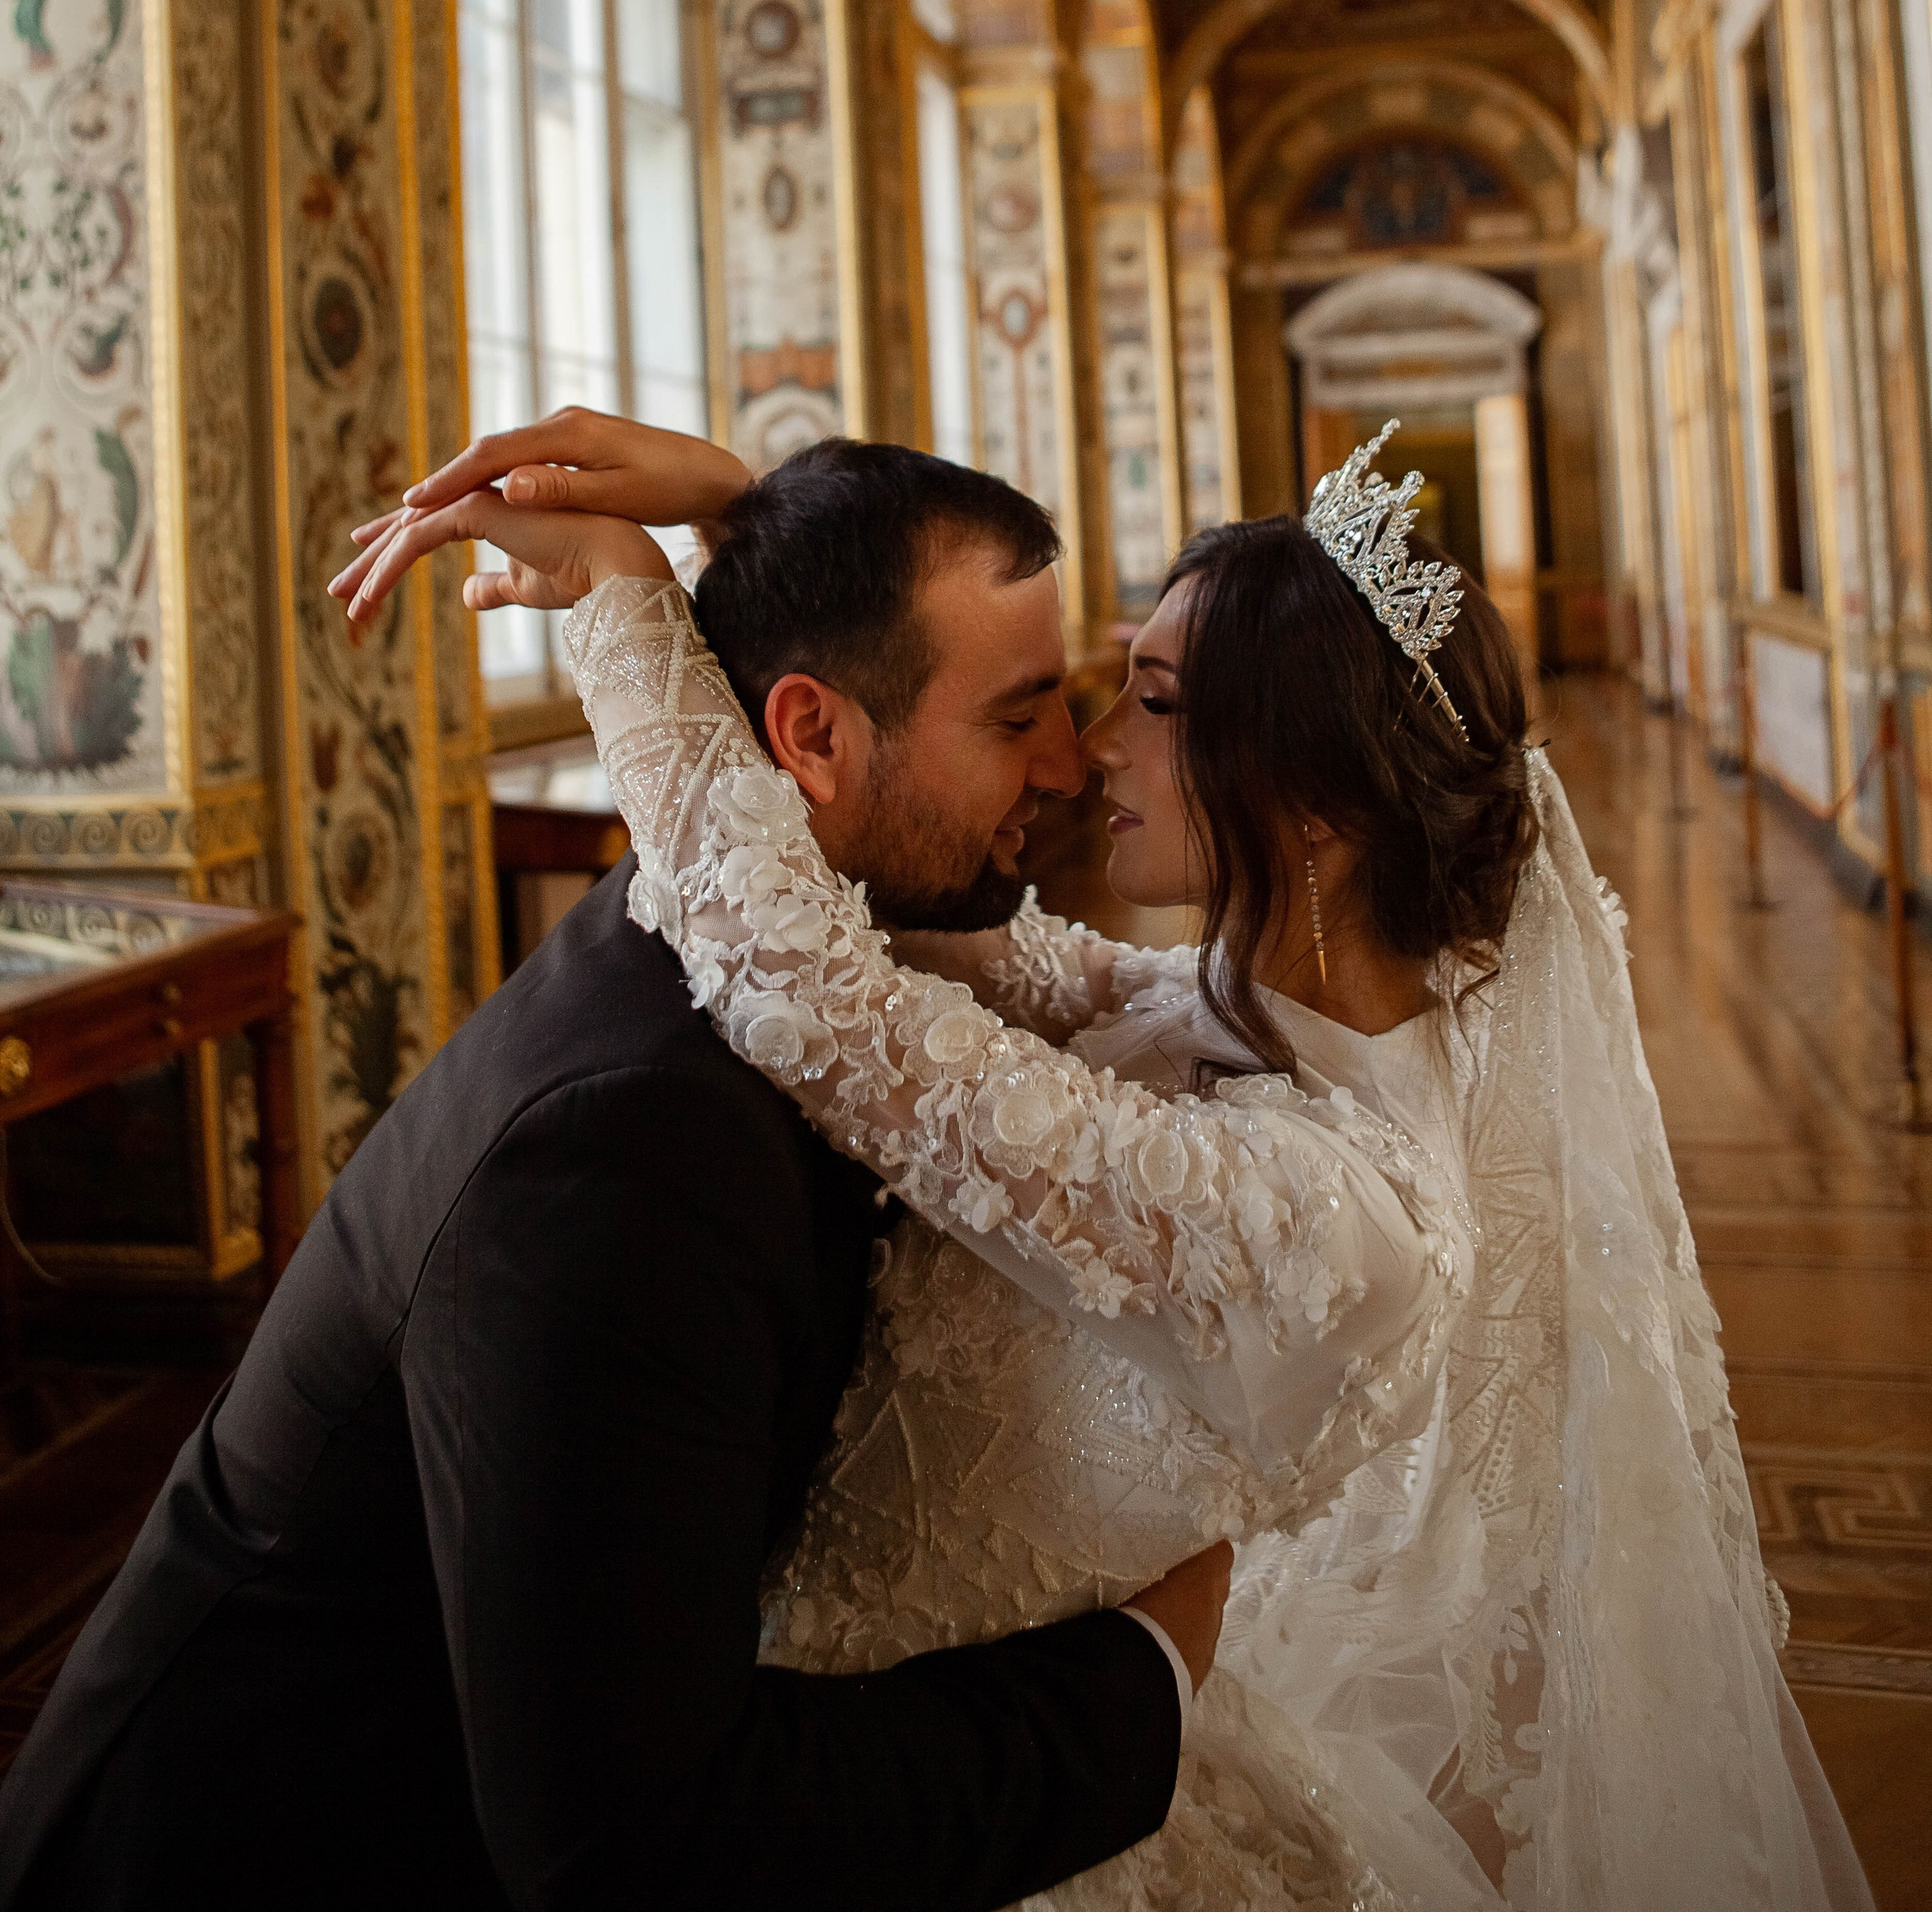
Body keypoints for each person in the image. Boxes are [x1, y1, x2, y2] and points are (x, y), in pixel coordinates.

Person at [339, 408, 1878, 1912]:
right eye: (1067, 704)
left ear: (1315, 797)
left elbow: (815, 993)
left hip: (917, 1803)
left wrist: (623, 581)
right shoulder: (1212, 1011)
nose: (1083, 758)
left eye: (1149, 700)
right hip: (827, 1757)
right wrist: (761, 520)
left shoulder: (1337, 1213)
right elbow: (922, 921)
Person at [0, 435, 1238, 1912]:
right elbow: (629, 1848)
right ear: (812, 739)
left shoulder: (793, 948)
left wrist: (742, 508)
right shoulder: (627, 1156)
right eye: (1020, 713)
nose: (1069, 760)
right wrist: (1140, 1680)